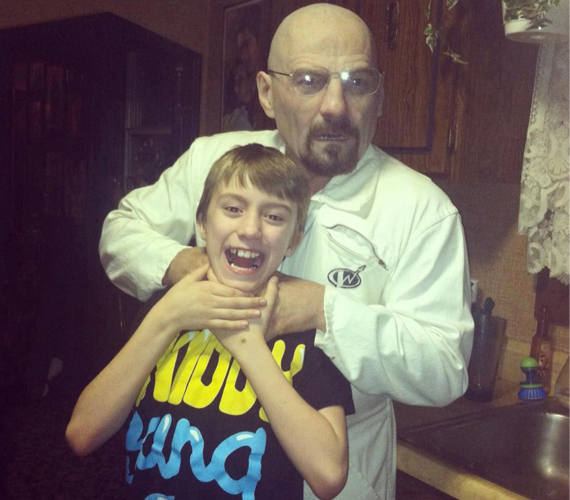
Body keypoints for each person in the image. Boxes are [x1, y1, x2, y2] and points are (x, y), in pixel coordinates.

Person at [99, 4, 474, 500]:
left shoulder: (423, 211)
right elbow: (120, 232)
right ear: (266, 93)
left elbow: (444, 368)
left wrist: (322, 309)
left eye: (358, 82)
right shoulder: (214, 160)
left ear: (379, 98)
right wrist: (188, 266)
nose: (336, 105)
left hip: (335, 478)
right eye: (309, 80)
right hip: (194, 464)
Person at [67, 144, 355, 500]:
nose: (250, 229)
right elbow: (82, 433)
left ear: (293, 240)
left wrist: (250, 348)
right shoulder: (165, 309)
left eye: (274, 217)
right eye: (233, 209)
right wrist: (166, 318)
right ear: (202, 222)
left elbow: (329, 476)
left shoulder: (305, 331)